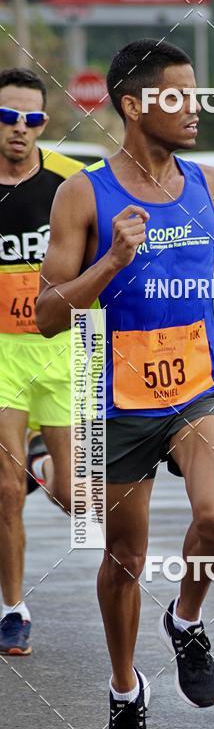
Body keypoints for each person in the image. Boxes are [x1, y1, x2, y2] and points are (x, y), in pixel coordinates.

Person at [36, 40, 214, 729]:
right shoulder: (83, 195)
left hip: (200, 384)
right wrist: (111, 263)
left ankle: (187, 620)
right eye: (179, 97)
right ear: (135, 106)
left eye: (198, 96)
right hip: (119, 396)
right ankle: (125, 689)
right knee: (124, 558)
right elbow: (44, 314)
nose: (195, 109)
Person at [0, 68, 82, 656]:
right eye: (7, 118)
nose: (19, 130)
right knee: (5, 489)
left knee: (76, 498)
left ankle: (39, 462)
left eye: (31, 120)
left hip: (65, 350)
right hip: (2, 354)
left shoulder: (70, 183)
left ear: (44, 125)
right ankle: (12, 608)